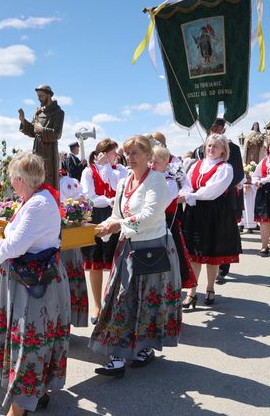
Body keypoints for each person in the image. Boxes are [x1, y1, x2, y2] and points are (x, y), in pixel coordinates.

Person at [89, 135, 181, 377]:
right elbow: (116, 213)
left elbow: (150, 216)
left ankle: (144, 349)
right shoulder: (123, 182)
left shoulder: (158, 181)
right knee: (119, 299)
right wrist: (102, 227)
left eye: (134, 153)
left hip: (152, 247)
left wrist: (117, 226)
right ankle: (117, 357)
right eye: (127, 153)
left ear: (149, 156)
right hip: (127, 247)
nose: (129, 158)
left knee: (148, 301)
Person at [0, 152, 70, 415]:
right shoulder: (37, 199)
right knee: (38, 337)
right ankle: (39, 392)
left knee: (30, 339)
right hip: (34, 279)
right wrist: (0, 247)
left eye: (13, 179)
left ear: (21, 179)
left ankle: (19, 408)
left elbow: (16, 245)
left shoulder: (37, 204)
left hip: (34, 283)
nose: (12, 183)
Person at [180, 134, 241, 307]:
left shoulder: (225, 168)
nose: (211, 149)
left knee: (211, 255)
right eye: (209, 146)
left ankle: (210, 288)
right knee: (194, 254)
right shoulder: (196, 165)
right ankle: (192, 292)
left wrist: (191, 196)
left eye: (215, 146)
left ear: (223, 150)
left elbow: (212, 190)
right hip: (194, 211)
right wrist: (187, 194)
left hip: (214, 212)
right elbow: (187, 184)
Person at [80, 138, 128, 324]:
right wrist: (108, 199)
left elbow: (119, 190)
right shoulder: (88, 172)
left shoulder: (120, 170)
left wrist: (107, 169)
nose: (116, 156)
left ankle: (114, 302)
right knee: (95, 262)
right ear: (103, 153)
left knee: (116, 260)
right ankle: (97, 304)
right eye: (113, 152)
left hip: (115, 215)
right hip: (96, 215)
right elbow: (90, 197)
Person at [194, 118, 244, 285]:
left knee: (222, 233)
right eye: (212, 126)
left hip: (224, 196)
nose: (214, 129)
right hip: (201, 200)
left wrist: (218, 186)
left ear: (223, 129)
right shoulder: (200, 148)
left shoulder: (234, 149)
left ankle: (223, 269)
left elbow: (238, 174)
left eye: (218, 127)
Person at [151, 145, 197, 289]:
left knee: (168, 256)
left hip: (166, 222)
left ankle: (169, 286)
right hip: (153, 222)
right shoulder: (151, 178)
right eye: (150, 162)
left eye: (156, 162)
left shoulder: (169, 182)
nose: (152, 165)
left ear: (166, 163)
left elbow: (159, 206)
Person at [19, 84, 65, 190]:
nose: (39, 98)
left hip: (49, 153)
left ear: (49, 96)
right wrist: (23, 121)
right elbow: (33, 131)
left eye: (41, 96)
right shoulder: (39, 113)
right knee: (36, 178)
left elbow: (57, 134)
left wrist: (42, 130)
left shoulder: (58, 113)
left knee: (47, 179)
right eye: (38, 96)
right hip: (37, 151)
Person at [59, 169, 89, 327]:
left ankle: (69, 320)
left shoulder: (68, 182)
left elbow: (83, 200)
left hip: (68, 234)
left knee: (68, 274)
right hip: (61, 235)